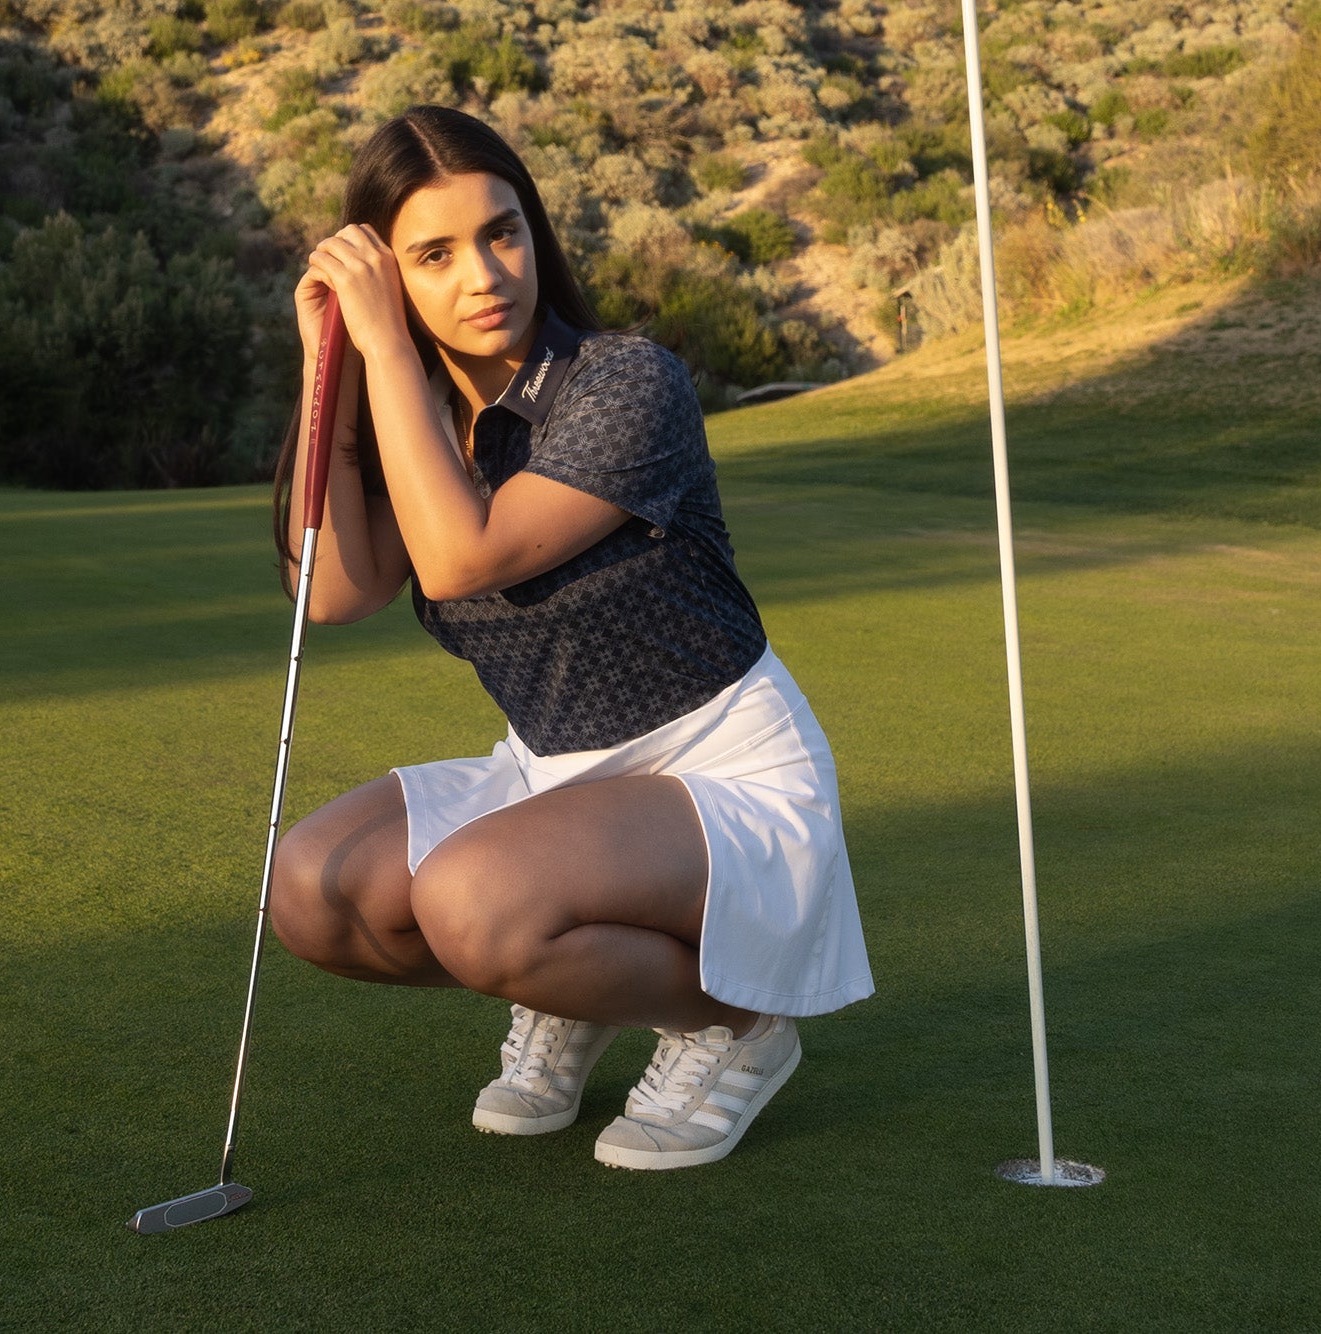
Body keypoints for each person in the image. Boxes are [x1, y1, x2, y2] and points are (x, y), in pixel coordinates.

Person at [269, 104, 872, 1171]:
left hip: (720, 774)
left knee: (472, 901)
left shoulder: (625, 382)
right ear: (389, 275)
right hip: (554, 778)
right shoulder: (422, 415)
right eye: (434, 254)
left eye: (501, 233)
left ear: (533, 231)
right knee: (313, 888)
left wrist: (385, 346)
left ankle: (735, 1024)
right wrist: (330, 369)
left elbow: (461, 558)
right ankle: (572, 979)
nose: (484, 276)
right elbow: (334, 591)